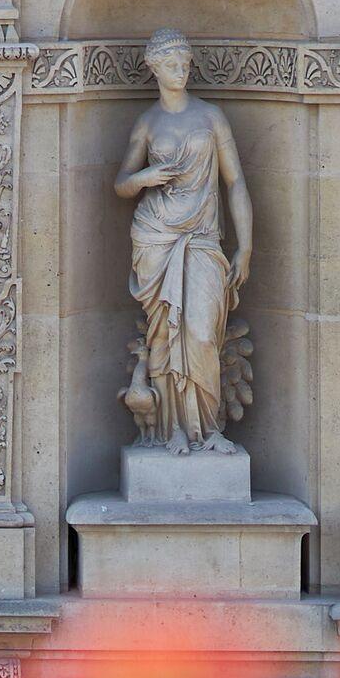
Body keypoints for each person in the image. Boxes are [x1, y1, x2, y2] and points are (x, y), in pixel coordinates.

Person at [112, 31, 255, 452]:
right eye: (172, 64)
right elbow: (121, 183)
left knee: (202, 333)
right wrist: (143, 179)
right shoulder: (148, 122)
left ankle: (209, 429)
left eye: (186, 63)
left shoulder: (211, 117)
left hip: (202, 238)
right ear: (153, 67)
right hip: (156, 235)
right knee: (164, 334)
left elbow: (236, 181)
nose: (181, 71)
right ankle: (169, 429)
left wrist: (245, 246)